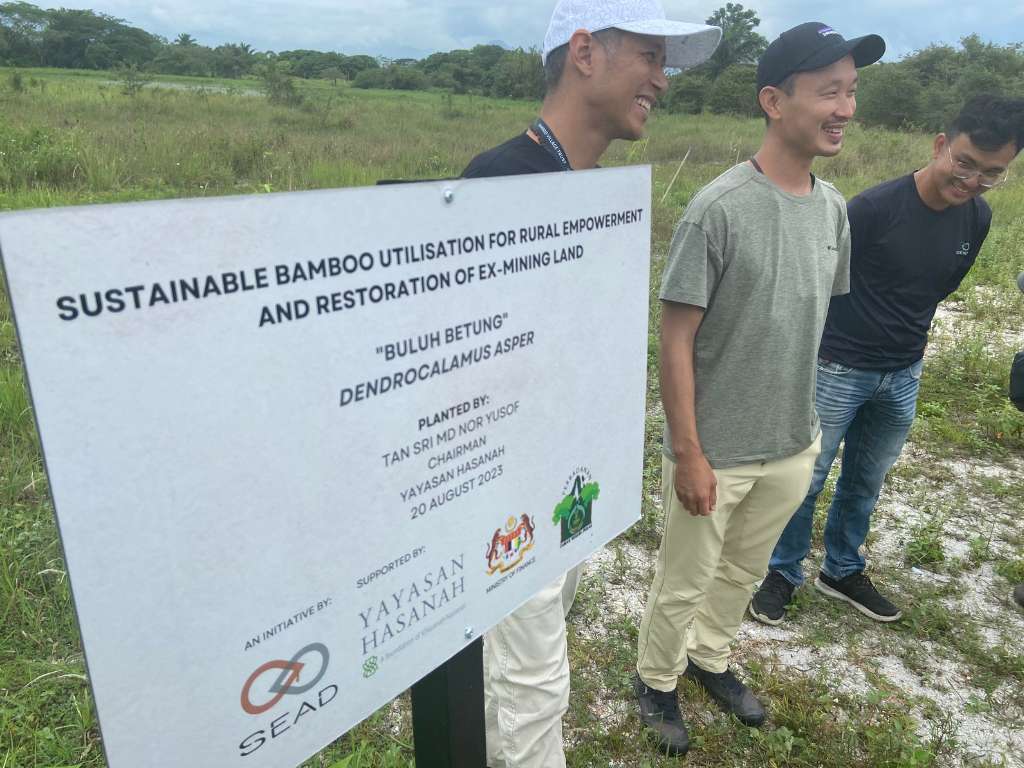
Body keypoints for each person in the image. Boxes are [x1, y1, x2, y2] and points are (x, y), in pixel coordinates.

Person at [462, 2, 721, 766]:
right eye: (650, 55)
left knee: (523, 665)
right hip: (507, 492)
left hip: (560, 478)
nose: (663, 82)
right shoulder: (500, 181)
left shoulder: (590, 192)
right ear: (584, 52)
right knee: (535, 682)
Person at [633, 22, 884, 756]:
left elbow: (810, 318)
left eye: (852, 92)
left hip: (792, 439)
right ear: (775, 100)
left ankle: (710, 657)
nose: (844, 108)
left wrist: (805, 440)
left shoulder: (833, 207)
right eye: (828, 91)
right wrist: (688, 453)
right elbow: (674, 336)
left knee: (742, 570)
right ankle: (655, 679)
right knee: (684, 577)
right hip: (718, 446)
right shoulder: (719, 206)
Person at [750, 95, 1024, 627]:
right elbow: (821, 285)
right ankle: (783, 572)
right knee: (807, 476)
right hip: (838, 367)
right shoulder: (872, 209)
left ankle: (843, 569)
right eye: (964, 163)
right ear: (941, 145)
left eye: (991, 174)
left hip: (905, 371)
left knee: (866, 479)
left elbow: (940, 289)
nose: (970, 181)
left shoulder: (979, 217)